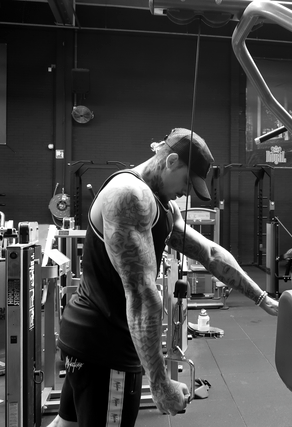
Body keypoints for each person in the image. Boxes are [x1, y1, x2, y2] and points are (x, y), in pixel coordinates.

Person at [48, 128, 279, 427]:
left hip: (87, 341)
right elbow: (142, 296)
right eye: (186, 182)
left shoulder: (161, 203)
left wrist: (261, 298)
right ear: (171, 161)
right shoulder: (129, 196)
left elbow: (209, 253)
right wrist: (160, 385)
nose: (186, 193)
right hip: (107, 348)